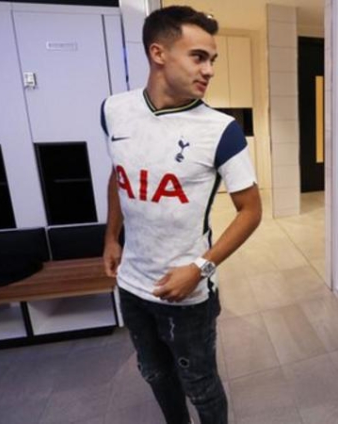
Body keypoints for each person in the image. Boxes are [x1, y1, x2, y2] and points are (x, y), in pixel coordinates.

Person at [101, 6, 261, 424]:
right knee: (154, 373)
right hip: (132, 283)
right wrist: (111, 237)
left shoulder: (221, 130)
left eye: (212, 60)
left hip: (187, 293)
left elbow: (250, 211)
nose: (209, 70)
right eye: (198, 57)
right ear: (159, 53)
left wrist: (200, 268)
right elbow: (119, 175)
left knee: (201, 386)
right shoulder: (114, 110)